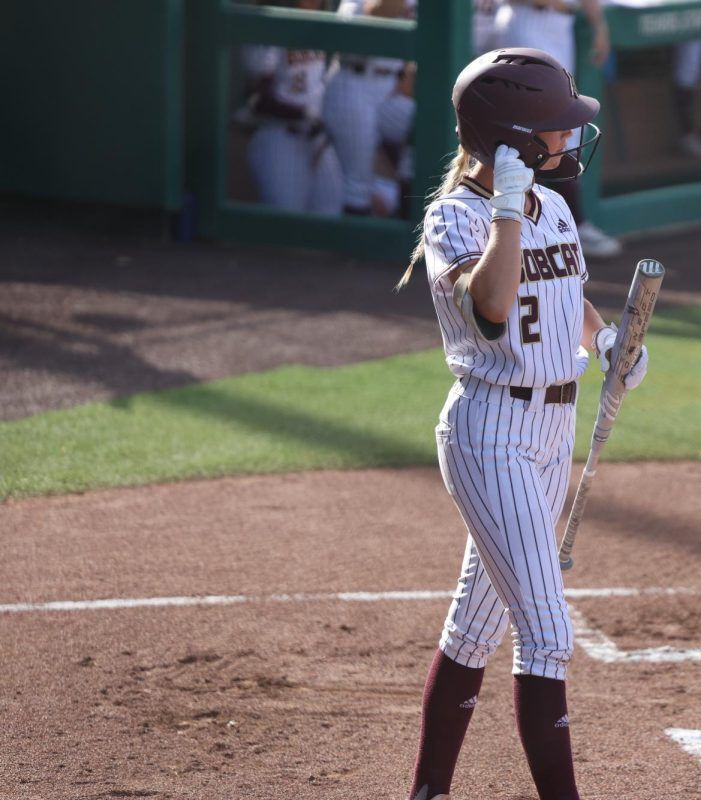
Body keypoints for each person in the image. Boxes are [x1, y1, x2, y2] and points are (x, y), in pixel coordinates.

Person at [397, 47, 650, 799]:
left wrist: (608, 341)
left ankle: (427, 793)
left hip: (550, 433)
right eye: (555, 127)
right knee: (547, 634)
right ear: (513, 137)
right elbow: (493, 305)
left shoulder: (554, 207)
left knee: (476, 627)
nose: (569, 138)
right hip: (492, 434)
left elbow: (567, 297)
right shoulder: (454, 218)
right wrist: (505, 211)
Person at [492, 0, 623, 258]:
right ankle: (565, 225)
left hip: (560, 25)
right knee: (533, 125)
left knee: (564, 126)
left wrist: (599, 24)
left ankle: (564, 225)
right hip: (525, 19)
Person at [239, 0, 343, 215]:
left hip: (317, 137)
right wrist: (304, 114)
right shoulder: (269, 25)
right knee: (287, 217)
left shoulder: (321, 25)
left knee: (331, 212)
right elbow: (257, 100)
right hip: (279, 137)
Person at [322, 0, 414, 216]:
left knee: (424, 130)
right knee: (356, 184)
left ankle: (409, 218)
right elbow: (375, 13)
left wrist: (405, 75)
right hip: (353, 82)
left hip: (390, 86)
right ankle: (354, 237)